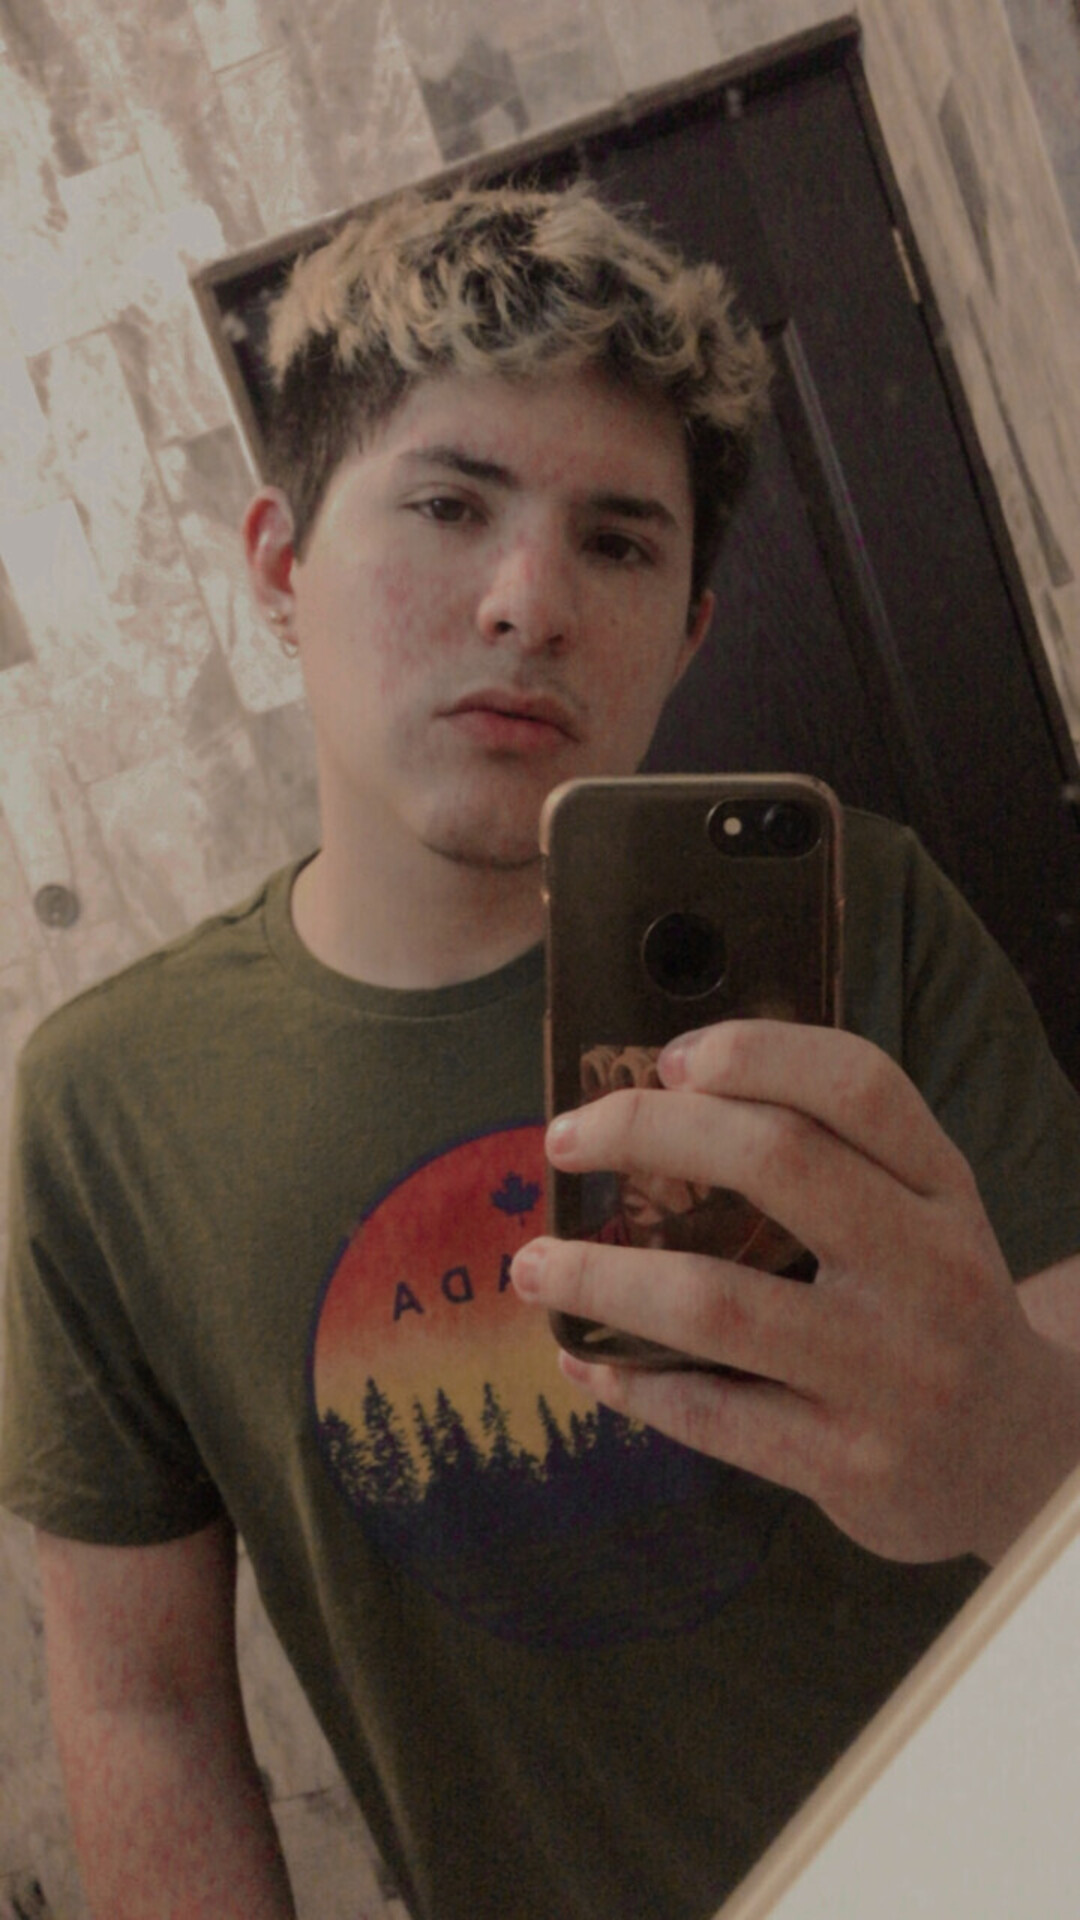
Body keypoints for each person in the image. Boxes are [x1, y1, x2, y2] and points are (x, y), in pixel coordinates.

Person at [3, 179, 1080, 1920]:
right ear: (279, 568)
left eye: (621, 542)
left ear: (691, 627)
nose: (529, 601)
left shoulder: (865, 915)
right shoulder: (102, 1104)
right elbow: (143, 1708)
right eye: (448, 504)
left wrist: (1011, 1448)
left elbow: (1063, 1421)